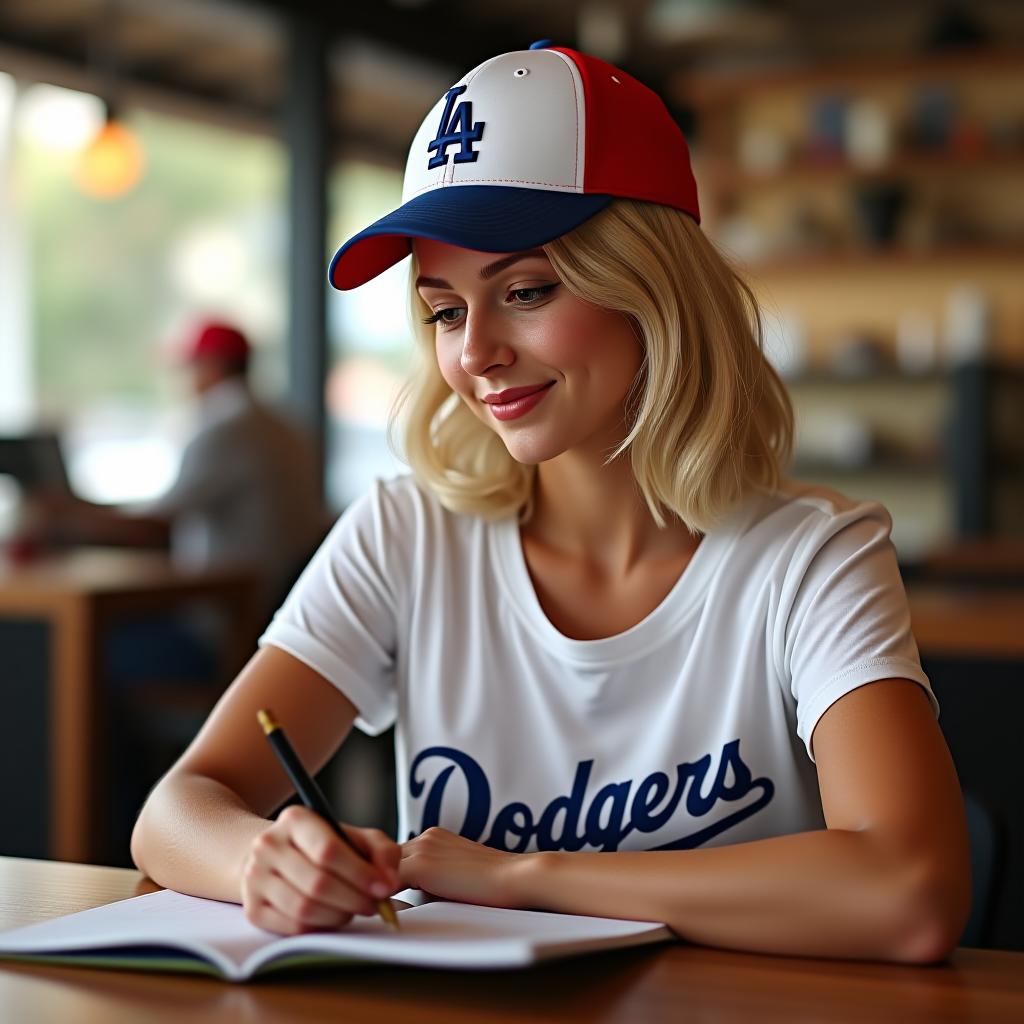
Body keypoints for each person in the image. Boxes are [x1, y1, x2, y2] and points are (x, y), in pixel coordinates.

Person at [131, 43, 970, 962]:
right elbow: (175, 812)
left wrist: (523, 877)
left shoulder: (813, 558)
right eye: (445, 310)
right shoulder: (405, 535)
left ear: (655, 294)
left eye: (525, 291)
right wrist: (267, 859)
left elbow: (911, 890)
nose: (476, 352)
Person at [43, 321, 326, 624]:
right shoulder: (285, 426)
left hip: (224, 622)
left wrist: (65, 516)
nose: (186, 380)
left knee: (76, 637)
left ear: (213, 366)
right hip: (276, 608)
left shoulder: (226, 430)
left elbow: (155, 526)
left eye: (191, 367)